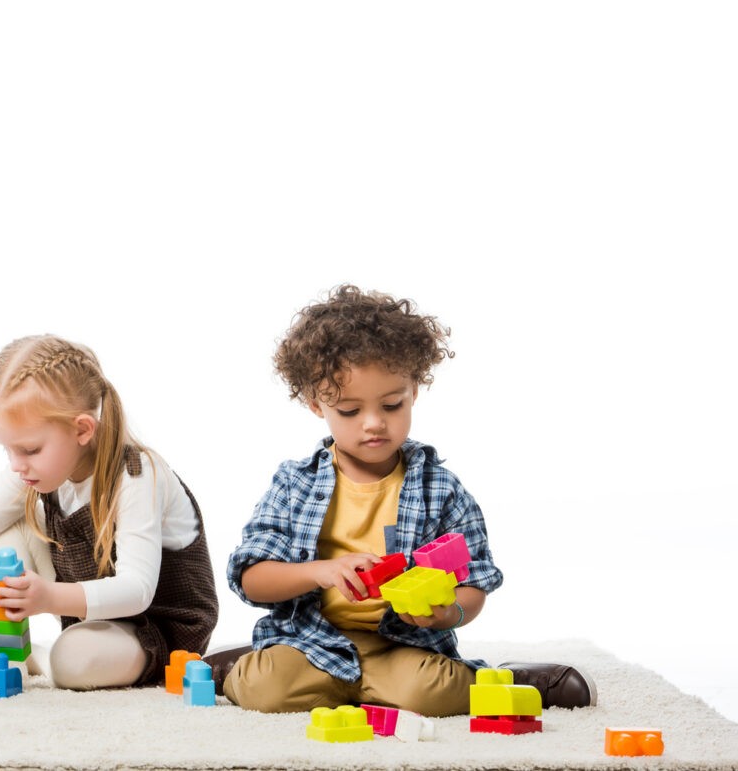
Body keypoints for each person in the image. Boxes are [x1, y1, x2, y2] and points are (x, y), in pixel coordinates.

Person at [219, 284, 595, 714]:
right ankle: (246, 667)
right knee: (264, 691)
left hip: (401, 646)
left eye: (392, 404)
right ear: (314, 402)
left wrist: (448, 614)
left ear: (413, 389)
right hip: (311, 643)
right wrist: (322, 571)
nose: (374, 423)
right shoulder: (293, 484)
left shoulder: (440, 489)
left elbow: (474, 582)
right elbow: (252, 578)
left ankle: (509, 681)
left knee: (429, 694)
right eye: (349, 411)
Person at [0, 334, 217, 690]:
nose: (17, 465)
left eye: (29, 449)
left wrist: (48, 598)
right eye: (8, 451)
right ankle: (8, 657)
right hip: (97, 620)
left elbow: (137, 590)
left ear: (82, 429)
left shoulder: (137, 475)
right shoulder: (42, 468)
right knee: (5, 536)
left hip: (158, 631)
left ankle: (46, 656)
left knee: (73, 661)